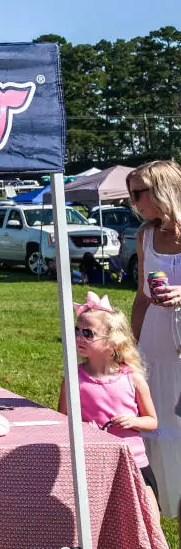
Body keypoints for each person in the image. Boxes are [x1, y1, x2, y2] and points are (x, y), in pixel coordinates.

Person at [60, 291, 158, 500]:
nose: (79, 337)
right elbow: (62, 421)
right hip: (93, 463)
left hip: (135, 461)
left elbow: (152, 421)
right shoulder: (73, 379)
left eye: (88, 333)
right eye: (77, 331)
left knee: (148, 518)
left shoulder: (133, 378)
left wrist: (132, 421)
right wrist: (83, 427)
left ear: (113, 341)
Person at [128, 161, 181, 518]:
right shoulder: (145, 235)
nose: (133, 202)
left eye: (138, 193)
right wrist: (128, 347)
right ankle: (163, 507)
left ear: (163, 190)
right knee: (159, 422)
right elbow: (142, 295)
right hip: (156, 344)